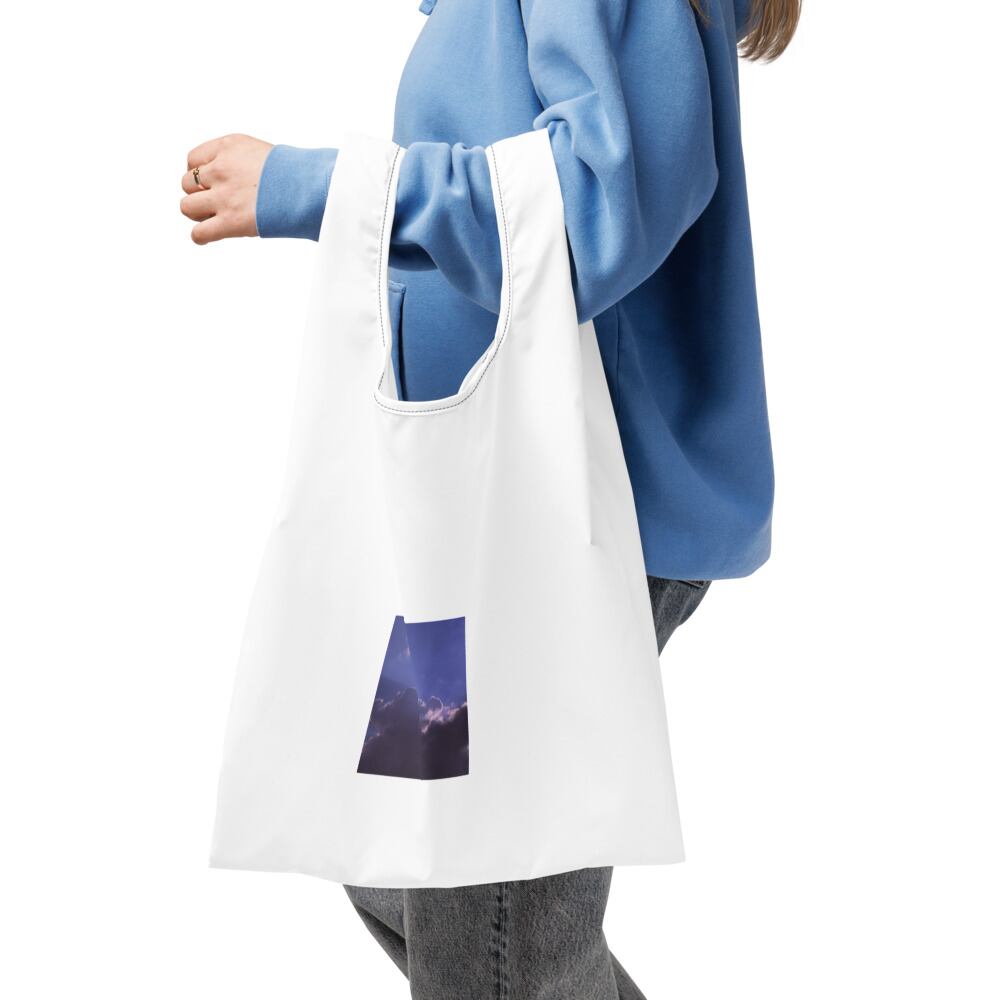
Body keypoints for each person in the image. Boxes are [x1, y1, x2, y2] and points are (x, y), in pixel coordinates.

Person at [179, 0, 799, 995]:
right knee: (403, 861)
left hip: (555, 532)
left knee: (487, 939)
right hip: (460, 529)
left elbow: (590, 212)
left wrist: (318, 186)